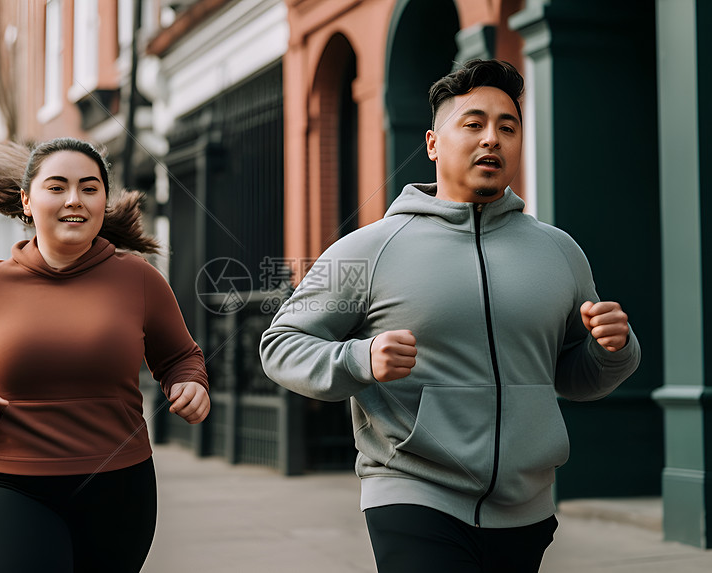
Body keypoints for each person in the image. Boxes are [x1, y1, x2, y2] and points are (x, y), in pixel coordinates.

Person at [259, 59, 640, 573]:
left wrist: (612, 350)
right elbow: (281, 343)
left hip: (527, 508)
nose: (492, 139)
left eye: (507, 127)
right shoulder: (366, 250)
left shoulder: (560, 252)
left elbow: (574, 377)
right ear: (433, 144)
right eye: (474, 124)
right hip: (413, 493)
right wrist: (359, 357)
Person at [0, 137, 210, 572]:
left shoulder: (139, 279)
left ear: (103, 201)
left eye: (90, 188)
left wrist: (190, 383)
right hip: (7, 488)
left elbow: (181, 357)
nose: (75, 199)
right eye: (57, 187)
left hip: (118, 489)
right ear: (27, 201)